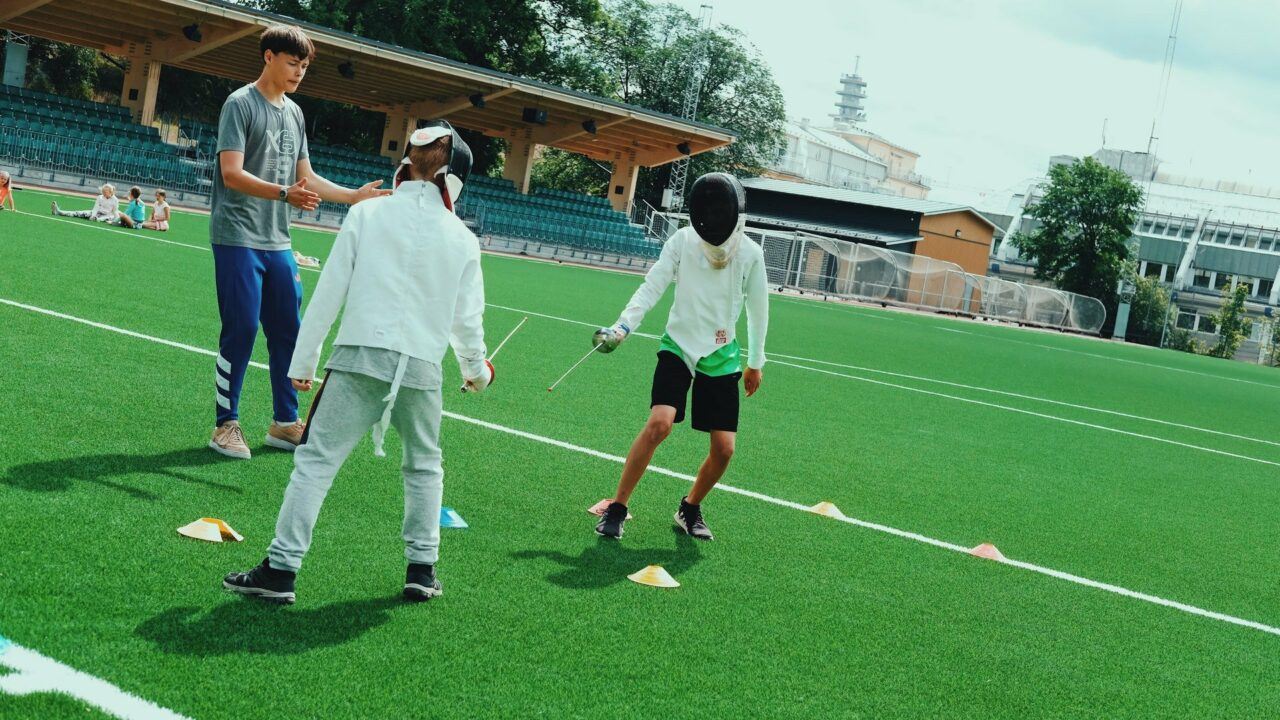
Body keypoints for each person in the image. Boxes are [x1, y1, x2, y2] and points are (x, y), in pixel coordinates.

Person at [223, 122, 488, 604]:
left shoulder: (368, 215)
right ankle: (422, 570)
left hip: (359, 359)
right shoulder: (463, 239)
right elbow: (467, 321)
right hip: (422, 369)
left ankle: (281, 571)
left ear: (406, 164)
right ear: (456, 181)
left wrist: (303, 361)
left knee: (316, 462)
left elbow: (329, 294)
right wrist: (477, 371)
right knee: (425, 467)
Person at [208, 23, 389, 461]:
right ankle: (225, 425)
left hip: (277, 241)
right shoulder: (240, 104)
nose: (299, 72)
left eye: (305, 66)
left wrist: (352, 196)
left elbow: (304, 176)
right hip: (237, 236)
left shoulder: (294, 113)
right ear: (268, 56)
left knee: (290, 329)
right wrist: (284, 193)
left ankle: (285, 423)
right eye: (293, 62)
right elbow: (231, 173)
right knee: (243, 329)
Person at [591, 172, 769, 542]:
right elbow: (652, 285)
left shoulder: (751, 253)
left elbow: (758, 309)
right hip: (678, 345)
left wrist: (756, 361)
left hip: (721, 353)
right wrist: (623, 326)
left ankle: (689, 507)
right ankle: (618, 507)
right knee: (660, 424)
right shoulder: (683, 241)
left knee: (724, 449)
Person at [51, 184, 118, 222]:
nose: (103, 194)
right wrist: (93, 215)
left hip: (107, 215)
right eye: (103, 192)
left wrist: (115, 220)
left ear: (110, 192)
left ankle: (97, 219)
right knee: (78, 213)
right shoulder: (99, 197)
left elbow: (115, 211)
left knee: (102, 219)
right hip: (97, 212)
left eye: (105, 192)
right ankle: (59, 212)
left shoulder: (115, 200)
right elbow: (96, 207)